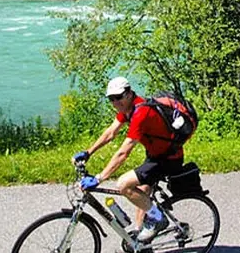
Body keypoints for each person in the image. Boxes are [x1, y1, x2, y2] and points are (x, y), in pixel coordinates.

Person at [72, 77, 184, 243]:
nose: (115, 102)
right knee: (142, 194)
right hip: (156, 155)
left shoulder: (141, 113)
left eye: (119, 97)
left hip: (168, 159)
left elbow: (123, 152)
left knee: (124, 184)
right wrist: (88, 152)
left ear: (129, 93)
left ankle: (159, 219)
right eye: (111, 99)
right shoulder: (128, 109)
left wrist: (99, 178)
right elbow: (111, 132)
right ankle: (140, 242)